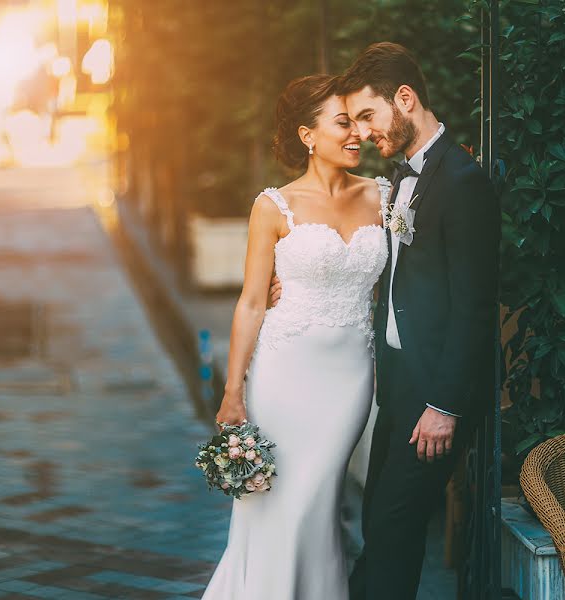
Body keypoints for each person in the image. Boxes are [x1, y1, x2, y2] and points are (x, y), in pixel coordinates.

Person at [271, 42, 499, 600]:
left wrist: (445, 406)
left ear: (405, 99)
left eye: (369, 116)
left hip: (433, 400)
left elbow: (474, 305)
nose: (365, 132)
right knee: (381, 527)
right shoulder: (399, 180)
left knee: (394, 531)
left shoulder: (462, 180)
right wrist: (302, 281)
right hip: (395, 389)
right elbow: (396, 272)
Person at [201, 73, 391, 600]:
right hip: (284, 373)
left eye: (359, 122)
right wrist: (233, 391)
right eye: (343, 122)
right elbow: (253, 301)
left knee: (317, 496)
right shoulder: (273, 206)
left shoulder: (386, 198)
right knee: (279, 502)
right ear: (309, 135)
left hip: (351, 378)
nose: (357, 133)